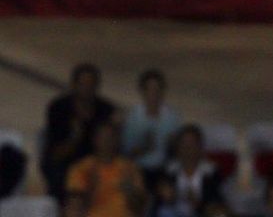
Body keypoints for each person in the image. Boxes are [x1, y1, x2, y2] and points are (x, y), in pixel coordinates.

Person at [41, 63, 116, 201]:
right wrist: (74, 138)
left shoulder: (105, 110)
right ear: (74, 85)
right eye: (83, 84)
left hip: (97, 162)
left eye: (91, 84)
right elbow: (55, 153)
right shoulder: (59, 108)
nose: (87, 88)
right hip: (66, 162)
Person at [66, 122, 147, 217]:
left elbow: (141, 210)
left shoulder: (130, 168)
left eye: (111, 137)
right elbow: (74, 209)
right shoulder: (81, 168)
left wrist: (130, 193)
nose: (107, 141)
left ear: (117, 140)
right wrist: (92, 188)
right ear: (95, 140)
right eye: (103, 137)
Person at [122, 70, 180, 189]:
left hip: (164, 169)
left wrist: (173, 145)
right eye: (150, 89)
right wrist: (144, 147)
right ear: (143, 91)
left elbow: (177, 151)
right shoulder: (134, 118)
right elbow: (126, 152)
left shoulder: (172, 117)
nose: (154, 94)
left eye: (158, 89)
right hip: (138, 169)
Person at [164, 124, 225, 217]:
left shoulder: (212, 172)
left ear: (200, 147)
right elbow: (159, 200)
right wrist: (167, 197)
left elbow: (217, 201)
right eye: (183, 143)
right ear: (177, 147)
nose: (188, 148)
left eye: (192, 143)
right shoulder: (169, 170)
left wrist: (198, 203)